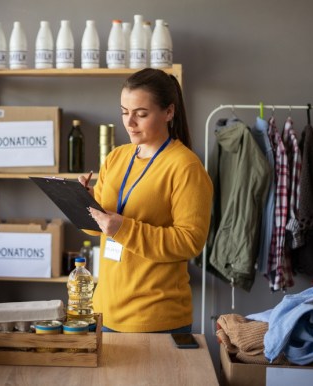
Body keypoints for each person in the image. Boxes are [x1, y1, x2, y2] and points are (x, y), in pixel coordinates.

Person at [79, 68, 213, 333]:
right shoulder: (116, 157)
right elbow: (96, 228)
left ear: (169, 112)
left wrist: (123, 228)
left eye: (141, 114)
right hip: (105, 312)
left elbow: (190, 242)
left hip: (156, 318)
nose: (130, 123)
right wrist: (85, 203)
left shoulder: (185, 166)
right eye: (124, 112)